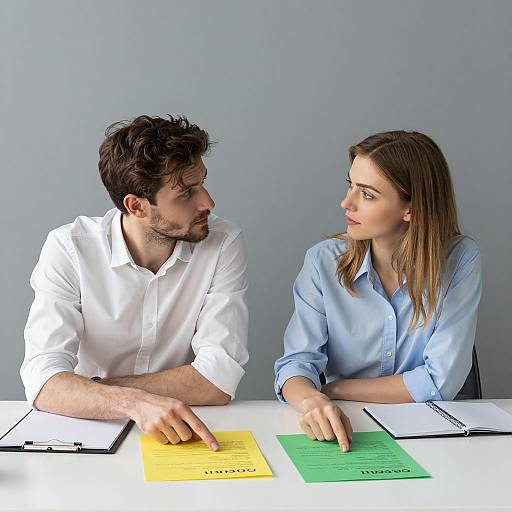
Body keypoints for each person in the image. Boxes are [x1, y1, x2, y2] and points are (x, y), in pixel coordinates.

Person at [21, 115, 249, 450]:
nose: (208, 203)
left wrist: (93, 389)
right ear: (136, 206)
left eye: (202, 183)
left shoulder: (222, 242)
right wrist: (132, 403)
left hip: (176, 432)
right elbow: (43, 379)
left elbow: (217, 379)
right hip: (86, 431)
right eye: (187, 193)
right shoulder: (69, 248)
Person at [274, 131, 481, 452]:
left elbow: (439, 382)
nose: (347, 203)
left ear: (410, 209)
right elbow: (296, 366)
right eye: (350, 184)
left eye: (367, 194)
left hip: (430, 433)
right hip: (346, 428)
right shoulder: (322, 261)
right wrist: (313, 399)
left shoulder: (460, 259)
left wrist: (335, 388)